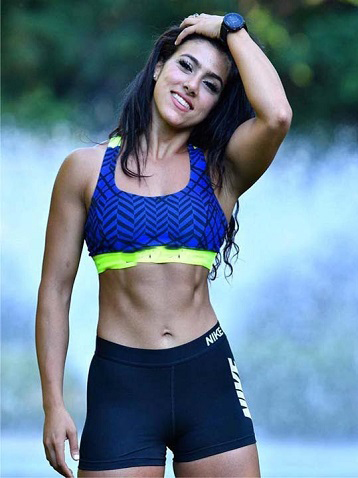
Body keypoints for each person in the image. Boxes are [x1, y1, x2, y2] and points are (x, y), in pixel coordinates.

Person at [36, 12, 291, 477]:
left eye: (212, 85)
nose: (194, 86)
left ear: (215, 103)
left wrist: (229, 28)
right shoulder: (85, 170)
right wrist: (53, 403)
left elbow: (276, 115)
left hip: (207, 377)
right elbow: (55, 291)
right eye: (186, 66)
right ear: (158, 67)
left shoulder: (221, 172)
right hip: (122, 388)